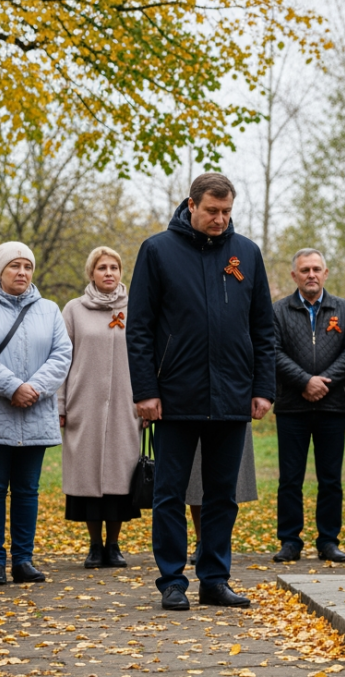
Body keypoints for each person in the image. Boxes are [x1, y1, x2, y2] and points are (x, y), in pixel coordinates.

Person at [127, 172, 275, 611]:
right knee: (169, 493)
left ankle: (214, 579)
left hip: (232, 395)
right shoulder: (157, 250)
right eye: (212, 210)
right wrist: (145, 391)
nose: (220, 219)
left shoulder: (246, 252)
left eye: (227, 211)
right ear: (190, 205)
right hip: (174, 396)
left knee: (221, 495)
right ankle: (172, 581)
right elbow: (139, 329)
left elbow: (263, 327)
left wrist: (262, 387)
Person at [0, 242, 71, 586]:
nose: (22, 272)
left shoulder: (49, 310)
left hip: (36, 413)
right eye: (14, 266)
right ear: (0, 271)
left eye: (27, 266)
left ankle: (23, 559)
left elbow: (62, 354)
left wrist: (34, 388)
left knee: (27, 490)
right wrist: (13, 387)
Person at [270, 248, 345, 564]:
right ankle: (290, 541)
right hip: (291, 406)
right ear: (294, 275)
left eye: (316, 269)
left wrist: (323, 382)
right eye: (305, 270)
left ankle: (328, 540)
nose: (311, 274)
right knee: (290, 478)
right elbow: (272, 351)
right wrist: (304, 381)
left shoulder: (344, 310)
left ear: (326, 273)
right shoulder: (278, 311)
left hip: (331, 406)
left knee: (330, 478)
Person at [58, 247, 142, 569]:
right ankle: (94, 545)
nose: (109, 273)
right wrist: (61, 404)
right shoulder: (74, 310)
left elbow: (146, 358)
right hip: (85, 406)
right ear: (91, 273)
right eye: (102, 267)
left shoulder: (136, 308)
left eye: (114, 267)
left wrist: (146, 401)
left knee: (120, 479)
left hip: (126, 408)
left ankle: (114, 544)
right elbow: (62, 362)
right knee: (88, 480)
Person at [183, 426, 257, 565]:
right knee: (196, 479)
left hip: (231, 411)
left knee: (225, 482)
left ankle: (218, 544)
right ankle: (201, 541)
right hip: (193, 411)